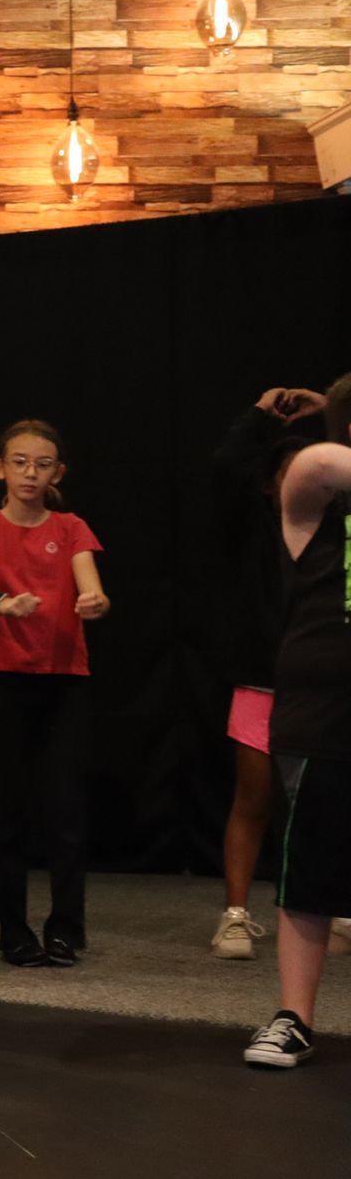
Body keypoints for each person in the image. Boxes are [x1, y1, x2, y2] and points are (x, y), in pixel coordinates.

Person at [0, 420, 108, 968]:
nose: (30, 473)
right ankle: (13, 931)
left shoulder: (69, 527)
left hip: (63, 682)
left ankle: (66, 929)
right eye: (19, 462)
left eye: (42, 464)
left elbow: (92, 587)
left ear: (57, 473)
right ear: (0, 467)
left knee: (64, 811)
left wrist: (94, 602)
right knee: (5, 812)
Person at [243, 372, 351, 1067]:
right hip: (326, 709)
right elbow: (319, 460)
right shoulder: (314, 485)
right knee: (310, 866)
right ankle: (293, 1017)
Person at [208, 387, 319, 960]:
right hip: (262, 678)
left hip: (323, 684)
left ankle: (332, 908)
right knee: (254, 797)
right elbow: (228, 466)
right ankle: (235, 916)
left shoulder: (333, 526)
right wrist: (257, 412)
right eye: (286, 474)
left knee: (324, 800)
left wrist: (331, 409)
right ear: (269, 484)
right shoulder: (252, 526)